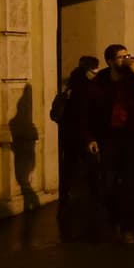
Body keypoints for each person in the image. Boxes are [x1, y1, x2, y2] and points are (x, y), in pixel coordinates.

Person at [86, 44, 134, 243]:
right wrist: (90, 138)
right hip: (108, 136)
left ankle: (128, 227)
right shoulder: (100, 81)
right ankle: (114, 222)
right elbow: (88, 113)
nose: (126, 59)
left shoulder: (132, 77)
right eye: (121, 57)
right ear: (110, 61)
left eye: (127, 55)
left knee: (130, 183)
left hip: (131, 137)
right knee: (109, 183)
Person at [52, 55, 99, 205]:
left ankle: (65, 194)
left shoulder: (72, 84)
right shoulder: (87, 88)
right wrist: (90, 137)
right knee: (92, 165)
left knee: (70, 164)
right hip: (82, 132)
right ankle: (95, 197)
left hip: (68, 131)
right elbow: (84, 113)